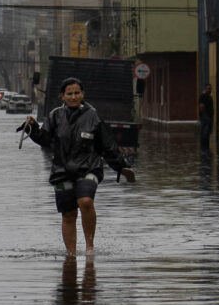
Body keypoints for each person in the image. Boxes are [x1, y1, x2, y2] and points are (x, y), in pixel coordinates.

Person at [23, 77, 135, 256]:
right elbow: (45, 139)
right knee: (68, 214)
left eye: (77, 93)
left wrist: (121, 167)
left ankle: (90, 248)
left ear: (82, 94)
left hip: (88, 168)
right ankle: (71, 255)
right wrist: (32, 128)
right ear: (62, 96)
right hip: (62, 172)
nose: (74, 97)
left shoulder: (93, 116)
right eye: (70, 94)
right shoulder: (55, 116)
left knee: (85, 201)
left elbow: (108, 145)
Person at [198, 82, 214, 151]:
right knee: (205, 132)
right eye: (208, 89)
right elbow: (201, 106)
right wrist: (205, 116)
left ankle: (206, 147)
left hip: (209, 117)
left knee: (207, 132)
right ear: (205, 89)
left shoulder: (209, 97)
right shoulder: (203, 96)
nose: (210, 90)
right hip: (205, 118)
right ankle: (203, 147)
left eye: (210, 89)